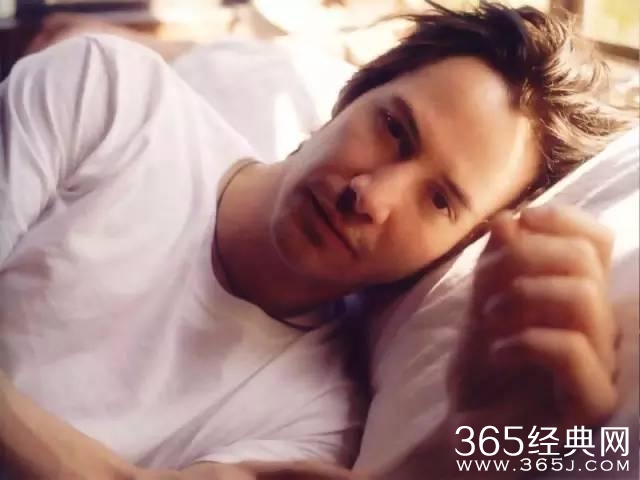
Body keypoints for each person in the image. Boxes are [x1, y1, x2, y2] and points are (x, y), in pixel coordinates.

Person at [0, 2, 632, 479]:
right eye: (394, 130)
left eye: (439, 200)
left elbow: (605, 454)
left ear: (449, 252)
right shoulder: (110, 96)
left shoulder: (320, 418)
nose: (371, 196)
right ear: (349, 98)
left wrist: (481, 450)